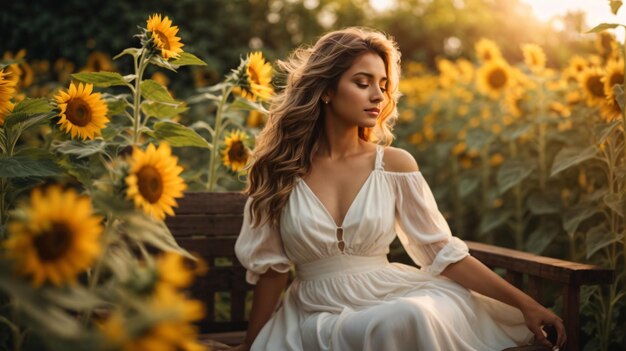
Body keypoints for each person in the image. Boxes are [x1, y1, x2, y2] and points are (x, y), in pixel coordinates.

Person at [230, 27, 566, 351]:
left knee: (409, 314)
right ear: (326, 91)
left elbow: (442, 253)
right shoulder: (278, 172)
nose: (378, 95)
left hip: (391, 295)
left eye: (383, 84)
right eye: (362, 83)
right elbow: (272, 272)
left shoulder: (395, 165)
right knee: (391, 322)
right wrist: (251, 343)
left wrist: (525, 304)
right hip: (314, 311)